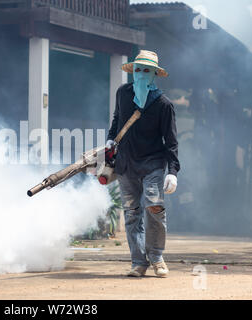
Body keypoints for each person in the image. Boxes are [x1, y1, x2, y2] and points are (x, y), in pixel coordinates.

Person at [106, 50, 180, 277]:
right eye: (138, 69)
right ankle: (138, 262)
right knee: (131, 213)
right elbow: (118, 119)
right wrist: (110, 139)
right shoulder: (123, 93)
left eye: (146, 71)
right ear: (133, 71)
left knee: (154, 208)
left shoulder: (163, 104)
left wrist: (172, 171)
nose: (141, 74)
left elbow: (171, 141)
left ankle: (157, 257)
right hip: (126, 164)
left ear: (154, 75)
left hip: (153, 164)